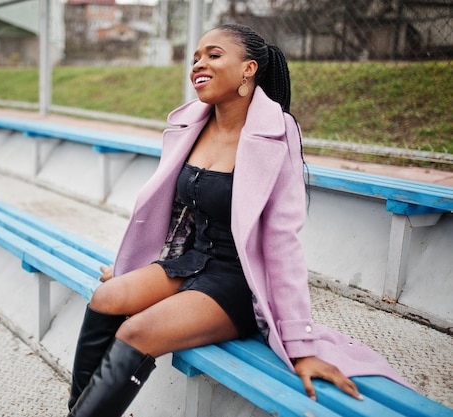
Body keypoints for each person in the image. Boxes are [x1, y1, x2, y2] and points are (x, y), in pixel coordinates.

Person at [66, 23, 408, 417]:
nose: (198, 64)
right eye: (195, 57)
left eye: (213, 55)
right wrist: (131, 271)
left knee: (136, 332)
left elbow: (282, 241)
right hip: (191, 261)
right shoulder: (193, 124)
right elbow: (175, 216)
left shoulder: (276, 133)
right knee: (106, 297)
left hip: (237, 283)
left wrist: (300, 346)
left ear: (248, 69)